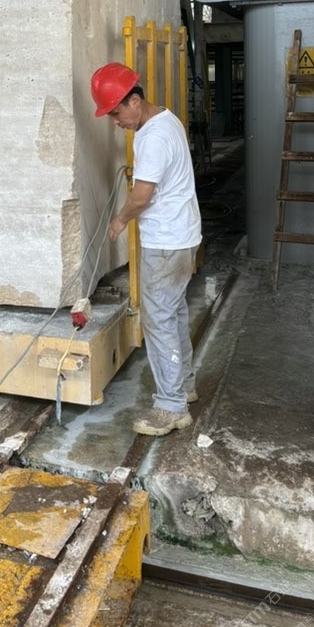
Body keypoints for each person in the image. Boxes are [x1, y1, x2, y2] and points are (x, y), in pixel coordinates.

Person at [91, 62, 202, 437]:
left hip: (166, 242)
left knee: (158, 321)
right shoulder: (168, 120)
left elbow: (141, 197)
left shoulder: (152, 138)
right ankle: (184, 385)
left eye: (116, 113)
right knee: (174, 314)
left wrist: (120, 220)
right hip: (182, 236)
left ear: (135, 101)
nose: (115, 122)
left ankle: (171, 405)